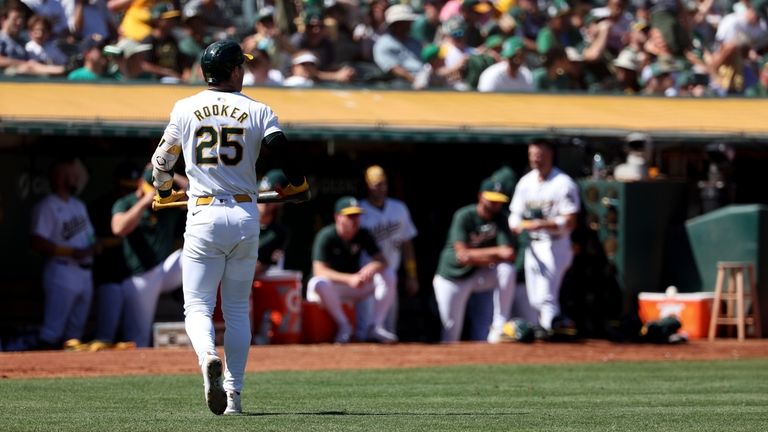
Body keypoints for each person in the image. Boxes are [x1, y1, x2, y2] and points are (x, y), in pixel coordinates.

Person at [149, 39, 310, 415]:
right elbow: (281, 148)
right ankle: (234, 396)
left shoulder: (184, 107)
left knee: (198, 307)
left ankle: (207, 355)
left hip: (202, 213)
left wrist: (164, 190)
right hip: (243, 214)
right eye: (243, 66)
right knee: (238, 308)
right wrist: (298, 184)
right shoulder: (258, 109)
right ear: (234, 70)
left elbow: (161, 161)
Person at [90, 166, 186, 349]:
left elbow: (195, 193)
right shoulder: (126, 202)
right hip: (140, 276)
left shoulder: (167, 201)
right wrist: (144, 202)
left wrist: (171, 173)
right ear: (141, 184)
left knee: (192, 254)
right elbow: (118, 228)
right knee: (138, 338)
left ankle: (191, 299)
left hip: (165, 270)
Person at [508, 139, 580, 334]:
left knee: (545, 297)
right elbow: (515, 212)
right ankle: (552, 330)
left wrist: (543, 224)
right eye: (532, 155)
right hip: (533, 244)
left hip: (555, 243)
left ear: (550, 155)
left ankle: (551, 333)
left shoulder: (563, 183)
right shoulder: (526, 181)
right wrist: (515, 224)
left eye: (539, 155)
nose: (535, 159)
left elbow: (570, 221)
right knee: (534, 298)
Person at [432, 178, 517, 343]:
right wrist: (495, 252)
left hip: (479, 274)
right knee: (451, 330)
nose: (495, 204)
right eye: (491, 200)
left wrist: (480, 255)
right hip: (452, 277)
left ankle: (500, 324)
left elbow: (508, 254)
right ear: (480, 196)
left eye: (498, 201)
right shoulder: (464, 215)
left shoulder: (501, 218)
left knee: (507, 270)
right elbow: (462, 256)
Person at [306, 196, 397, 344]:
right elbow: (319, 271)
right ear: (338, 217)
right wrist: (349, 279)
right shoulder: (326, 235)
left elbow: (383, 261)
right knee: (319, 282)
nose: (355, 220)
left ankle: (375, 326)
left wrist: (373, 266)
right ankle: (344, 326)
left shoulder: (363, 234)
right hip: (329, 290)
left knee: (388, 274)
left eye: (357, 215)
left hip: (353, 287)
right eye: (350, 216)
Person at [30, 157, 100, 350]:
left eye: (73, 176)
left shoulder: (78, 205)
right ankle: (40, 371)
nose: (73, 180)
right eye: (67, 176)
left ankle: (70, 374)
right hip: (62, 271)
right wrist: (70, 251)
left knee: (75, 333)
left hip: (85, 272)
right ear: (57, 178)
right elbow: (37, 242)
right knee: (53, 330)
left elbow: (91, 236)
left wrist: (95, 246)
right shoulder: (47, 205)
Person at [357, 165, 418, 340]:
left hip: (391, 274)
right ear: (368, 185)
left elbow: (407, 244)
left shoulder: (399, 208)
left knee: (388, 330)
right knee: (365, 326)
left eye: (383, 184)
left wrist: (412, 274)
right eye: (376, 184)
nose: (381, 188)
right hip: (367, 274)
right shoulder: (360, 210)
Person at [254, 169, 290, 277]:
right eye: (262, 192)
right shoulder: (239, 221)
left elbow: (276, 263)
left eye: (270, 195)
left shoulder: (280, 232)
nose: (265, 200)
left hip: (262, 281)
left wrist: (263, 266)